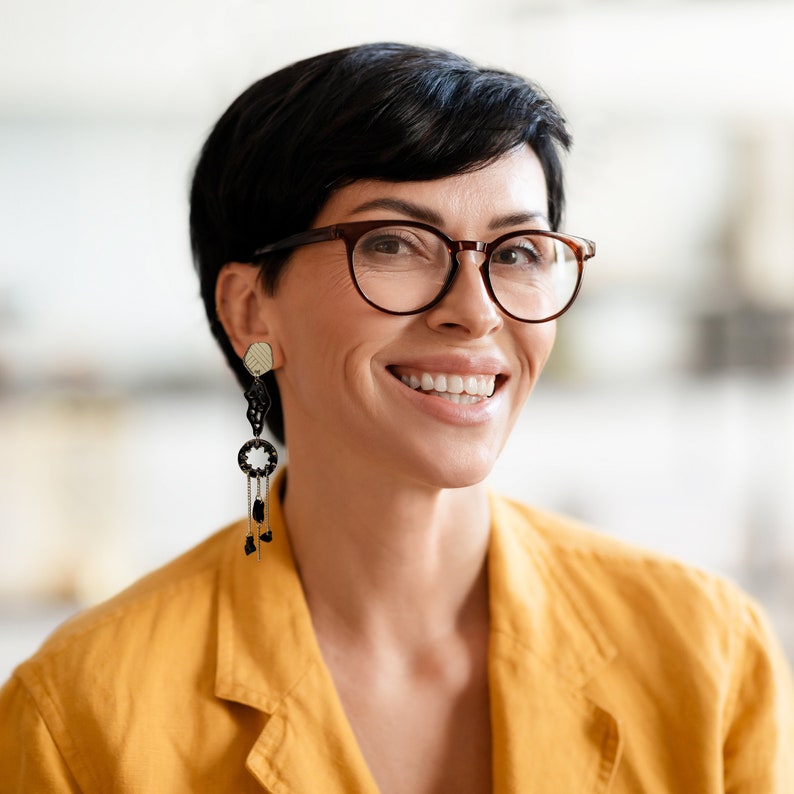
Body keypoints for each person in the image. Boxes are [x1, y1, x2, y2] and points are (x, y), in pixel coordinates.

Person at [0, 42, 792, 793]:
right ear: (249, 308)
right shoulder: (83, 714)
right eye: (394, 244)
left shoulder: (709, 654)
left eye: (516, 252)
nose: (475, 313)